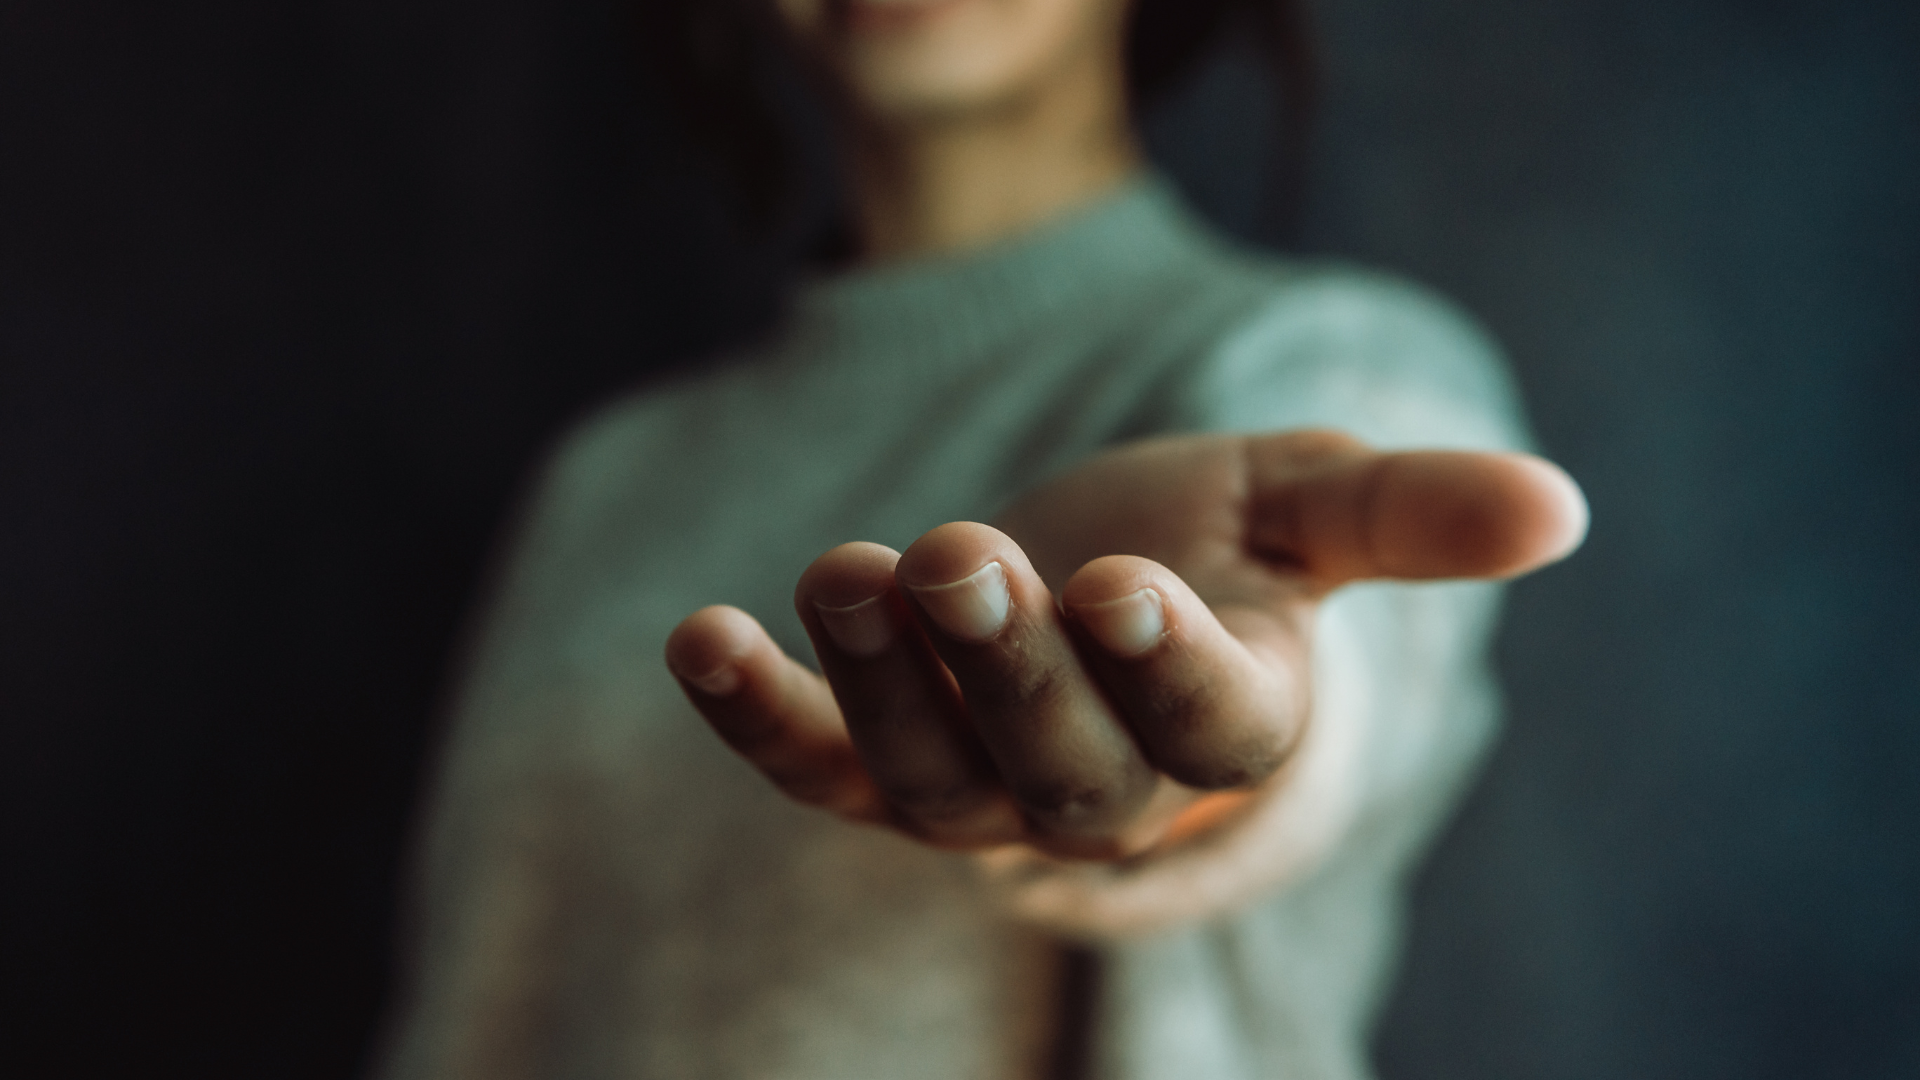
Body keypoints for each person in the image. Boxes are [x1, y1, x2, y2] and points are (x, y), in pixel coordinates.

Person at [375, 0, 1588, 1077]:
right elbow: (473, 1013)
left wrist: (1213, 738)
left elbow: (1350, 664)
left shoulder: (1324, 358)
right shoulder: (608, 480)